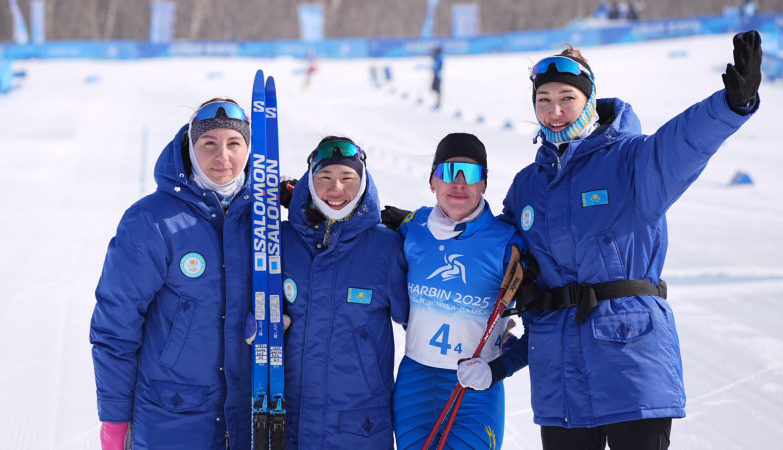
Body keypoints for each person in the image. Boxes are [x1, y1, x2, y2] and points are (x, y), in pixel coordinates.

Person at [455, 31, 762, 450]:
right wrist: (423, 226)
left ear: (589, 99)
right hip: (559, 378)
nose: (555, 110)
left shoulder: (631, 160)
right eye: (543, 100)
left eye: (567, 97)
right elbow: (494, 248)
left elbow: (684, 143)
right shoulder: (528, 185)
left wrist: (730, 106)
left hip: (631, 368)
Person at [90, 98, 255, 449]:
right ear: (191, 148)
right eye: (209, 144)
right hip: (170, 417)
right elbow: (115, 328)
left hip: (247, 419)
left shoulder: (264, 221)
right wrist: (115, 419)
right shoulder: (151, 220)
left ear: (249, 149)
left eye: (233, 144)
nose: (222, 156)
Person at [391, 133, 532, 449]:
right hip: (414, 384)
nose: (458, 183)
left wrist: (496, 370)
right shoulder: (414, 228)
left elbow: (540, 330)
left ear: (483, 184)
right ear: (432, 182)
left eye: (469, 174)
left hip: (474, 391)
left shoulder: (507, 244)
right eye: (447, 172)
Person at [281, 136, 410, 448]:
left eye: (347, 178)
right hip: (287, 420)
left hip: (361, 426)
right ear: (310, 183)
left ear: (363, 181)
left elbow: (422, 320)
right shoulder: (280, 241)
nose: (336, 189)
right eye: (324, 177)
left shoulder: (387, 248)